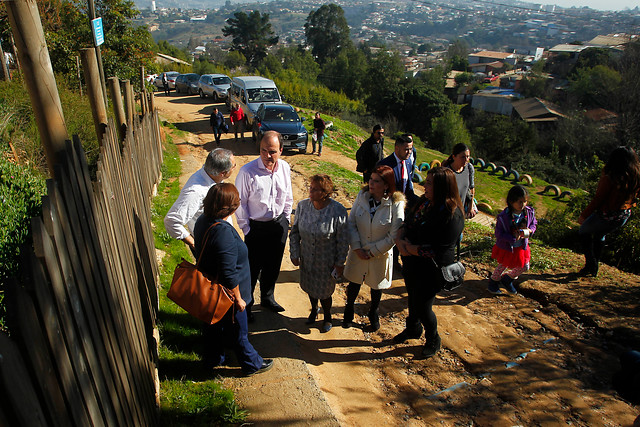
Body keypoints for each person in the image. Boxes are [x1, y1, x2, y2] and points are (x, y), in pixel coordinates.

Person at [193, 183, 273, 375]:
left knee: (213, 327)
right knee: (238, 331)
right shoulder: (223, 232)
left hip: (209, 287)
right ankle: (251, 363)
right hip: (227, 294)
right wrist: (238, 299)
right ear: (231, 207)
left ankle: (214, 358)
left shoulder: (203, 220)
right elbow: (229, 273)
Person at [394, 167, 464, 358]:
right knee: (412, 298)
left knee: (424, 306)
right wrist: (400, 239)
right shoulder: (424, 202)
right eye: (426, 181)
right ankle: (413, 329)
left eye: (430, 183)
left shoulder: (452, 215)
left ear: (442, 187)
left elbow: (439, 249)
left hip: (432, 270)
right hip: (411, 263)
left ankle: (433, 338)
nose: (425, 185)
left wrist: (408, 248)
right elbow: (408, 222)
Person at [235, 131, 293, 319]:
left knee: (273, 265)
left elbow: (288, 196)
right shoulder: (247, 172)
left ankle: (267, 298)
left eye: (273, 151)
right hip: (256, 228)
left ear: (281, 151)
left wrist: (285, 220)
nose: (268, 155)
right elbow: (240, 202)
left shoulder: (284, 167)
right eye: (263, 150)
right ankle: (247, 306)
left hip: (278, 226)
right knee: (251, 269)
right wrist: (247, 229)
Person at [342, 165, 405, 332]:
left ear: (386, 185)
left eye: (377, 181)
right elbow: (351, 223)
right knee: (354, 282)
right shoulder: (362, 196)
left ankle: (373, 312)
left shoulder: (395, 204)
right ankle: (348, 310)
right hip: (359, 249)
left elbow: (394, 235)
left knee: (376, 287)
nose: (371, 183)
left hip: (379, 254)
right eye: (371, 179)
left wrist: (373, 251)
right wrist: (356, 247)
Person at [290, 174, 349, 333]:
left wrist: (339, 263)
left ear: (325, 192)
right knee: (310, 287)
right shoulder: (303, 206)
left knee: (324, 293)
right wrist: (294, 253)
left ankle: (328, 316)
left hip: (326, 262)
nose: (311, 192)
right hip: (307, 258)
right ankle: (314, 309)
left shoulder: (338, 210)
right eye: (311, 188)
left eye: (316, 189)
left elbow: (343, 240)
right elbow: (294, 232)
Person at [577, 146, 640, 277]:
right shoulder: (635, 175)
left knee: (583, 231)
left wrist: (584, 215)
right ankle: (594, 266)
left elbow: (598, 198)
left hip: (607, 214)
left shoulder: (611, 177)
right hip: (623, 215)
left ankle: (591, 264)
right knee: (600, 235)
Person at [164, 148, 235, 255]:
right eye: (233, 166)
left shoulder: (212, 177)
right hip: (210, 250)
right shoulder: (195, 191)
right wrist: (194, 244)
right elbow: (172, 221)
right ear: (223, 173)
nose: (235, 168)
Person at [488, 185, 537, 295]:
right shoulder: (504, 217)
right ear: (511, 201)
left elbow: (534, 223)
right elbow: (499, 234)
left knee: (525, 266)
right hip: (507, 246)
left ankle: (508, 279)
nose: (523, 205)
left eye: (525, 201)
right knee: (503, 265)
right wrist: (512, 237)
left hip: (521, 246)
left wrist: (530, 231)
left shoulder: (528, 212)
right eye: (520, 202)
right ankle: (493, 282)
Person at [378, 134, 417, 203]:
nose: (409, 152)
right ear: (397, 148)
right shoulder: (384, 165)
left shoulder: (408, 163)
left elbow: (408, 188)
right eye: (406, 149)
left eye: (411, 149)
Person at [442, 143, 476, 219]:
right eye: (463, 157)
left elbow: (471, 189)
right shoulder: (447, 172)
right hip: (447, 212)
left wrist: (470, 208)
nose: (466, 160)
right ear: (454, 157)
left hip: (461, 212)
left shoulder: (469, 168)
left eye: (467, 156)